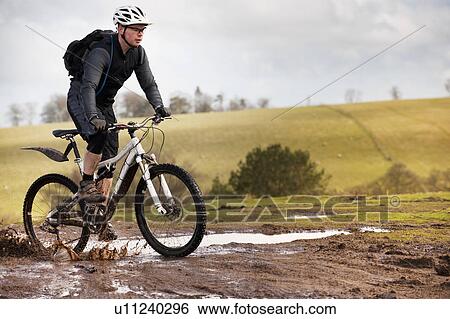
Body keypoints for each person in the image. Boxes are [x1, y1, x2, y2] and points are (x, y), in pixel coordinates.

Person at [66, 5, 170, 240]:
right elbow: (89, 87)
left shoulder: (138, 53)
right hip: (82, 99)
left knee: (111, 159)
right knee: (98, 135)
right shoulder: (102, 51)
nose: (140, 33)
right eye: (135, 29)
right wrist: (93, 116)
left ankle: (98, 218)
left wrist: (159, 106)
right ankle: (85, 184)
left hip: (104, 106)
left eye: (142, 29)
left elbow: (149, 84)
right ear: (121, 28)